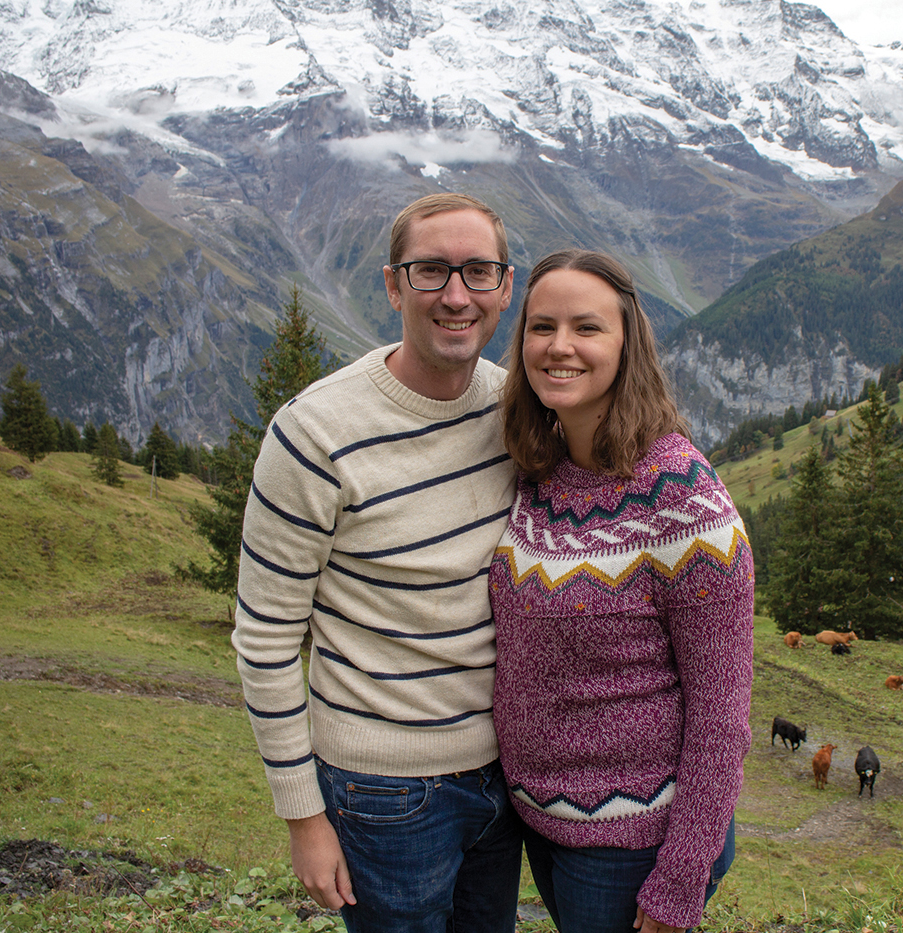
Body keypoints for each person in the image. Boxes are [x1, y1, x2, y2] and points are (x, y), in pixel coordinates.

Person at [231, 192, 522, 933]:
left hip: (505, 779)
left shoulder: (517, 411)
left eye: (477, 272)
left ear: (505, 287)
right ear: (394, 286)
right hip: (383, 792)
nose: (456, 295)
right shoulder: (314, 433)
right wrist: (303, 815)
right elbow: (265, 640)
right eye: (431, 272)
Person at [490, 249, 755, 933]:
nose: (560, 346)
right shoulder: (541, 470)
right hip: (543, 827)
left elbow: (722, 714)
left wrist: (680, 880)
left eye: (587, 327)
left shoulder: (681, 495)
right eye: (541, 327)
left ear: (627, 343)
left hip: (632, 845)